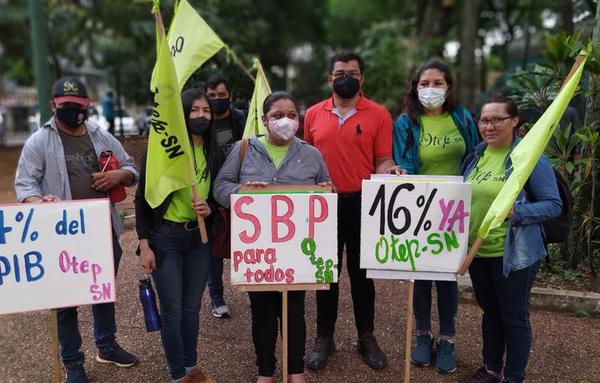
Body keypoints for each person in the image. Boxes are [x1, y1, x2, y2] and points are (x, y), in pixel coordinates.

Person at [15, 76, 138, 383]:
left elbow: (131, 167)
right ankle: (73, 363)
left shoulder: (100, 134)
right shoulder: (39, 141)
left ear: (88, 106)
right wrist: (37, 201)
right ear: (53, 106)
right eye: (65, 106)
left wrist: (118, 176)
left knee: (102, 292)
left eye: (79, 106)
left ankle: (106, 346)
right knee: (65, 299)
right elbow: (25, 183)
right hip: (61, 234)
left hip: (101, 230)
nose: (73, 111)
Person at [213, 91, 331, 383]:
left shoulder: (312, 154)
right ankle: (265, 371)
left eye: (291, 115)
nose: (285, 121)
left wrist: (328, 191)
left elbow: (326, 190)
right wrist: (242, 193)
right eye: (277, 116)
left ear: (299, 119)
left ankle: (295, 370)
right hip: (258, 252)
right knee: (261, 311)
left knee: (294, 311)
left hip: (297, 252)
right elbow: (220, 187)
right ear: (264, 120)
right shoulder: (243, 149)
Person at [303, 51, 399, 371]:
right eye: (340, 72)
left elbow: (382, 160)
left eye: (354, 73)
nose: (347, 77)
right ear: (330, 77)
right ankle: (324, 337)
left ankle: (366, 336)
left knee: (362, 275)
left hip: (363, 203)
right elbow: (305, 160)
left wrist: (391, 172)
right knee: (325, 274)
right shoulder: (314, 114)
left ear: (362, 78)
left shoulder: (380, 115)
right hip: (324, 205)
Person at [461, 96, 561, 383]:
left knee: (513, 317)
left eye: (496, 120)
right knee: (491, 313)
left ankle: (513, 376)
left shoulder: (529, 159)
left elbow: (553, 205)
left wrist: (517, 212)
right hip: (478, 252)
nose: (488, 126)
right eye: (484, 120)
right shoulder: (476, 155)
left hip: (513, 254)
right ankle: (492, 368)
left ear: (514, 121)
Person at [392, 59, 480, 373]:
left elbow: (475, 156)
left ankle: (447, 339)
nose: (431, 89)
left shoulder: (462, 117)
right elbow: (403, 161)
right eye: (424, 83)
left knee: (447, 278)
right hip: (420, 210)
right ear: (415, 88)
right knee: (421, 276)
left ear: (449, 87)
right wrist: (401, 171)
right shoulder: (406, 122)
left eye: (437, 83)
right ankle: (421, 335)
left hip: (454, 211)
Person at [135, 88, 222, 383]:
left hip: (198, 239)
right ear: (182, 114)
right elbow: (142, 199)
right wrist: (144, 245)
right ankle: (177, 376)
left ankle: (190, 367)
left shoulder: (214, 151)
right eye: (194, 110)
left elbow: (220, 196)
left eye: (206, 110)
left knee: (192, 307)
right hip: (165, 239)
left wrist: (209, 208)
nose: (201, 116)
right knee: (172, 310)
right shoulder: (161, 152)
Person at [204, 75, 247, 319]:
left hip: (240, 190)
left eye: (221, 95)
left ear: (229, 96)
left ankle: (257, 288)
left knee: (247, 242)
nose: (217, 100)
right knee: (214, 248)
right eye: (212, 96)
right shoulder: (202, 123)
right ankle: (216, 297)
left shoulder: (240, 120)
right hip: (211, 192)